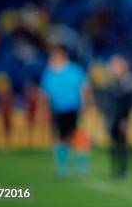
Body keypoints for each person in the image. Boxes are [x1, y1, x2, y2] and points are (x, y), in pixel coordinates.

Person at [40, 43, 89, 177]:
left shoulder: (74, 70)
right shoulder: (49, 72)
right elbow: (44, 94)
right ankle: (62, 167)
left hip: (74, 109)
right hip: (57, 110)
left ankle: (81, 165)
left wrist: (85, 105)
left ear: (63, 55)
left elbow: (84, 89)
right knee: (60, 138)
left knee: (78, 136)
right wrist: (44, 110)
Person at [105, 54, 132, 178]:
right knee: (114, 144)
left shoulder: (128, 82)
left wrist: (125, 120)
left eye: (116, 66)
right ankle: (116, 169)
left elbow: (128, 104)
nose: (113, 69)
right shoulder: (113, 82)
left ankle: (124, 170)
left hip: (122, 118)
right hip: (113, 117)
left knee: (122, 143)